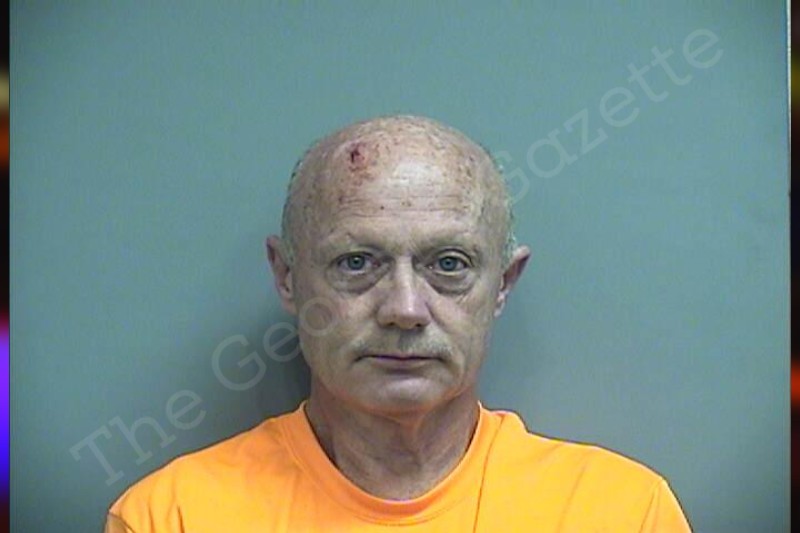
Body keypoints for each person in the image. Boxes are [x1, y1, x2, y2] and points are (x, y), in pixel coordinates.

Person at [105, 115, 691, 532]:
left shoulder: (621, 513)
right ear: (287, 277)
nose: (405, 309)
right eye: (356, 263)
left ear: (503, 286)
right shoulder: (171, 517)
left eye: (449, 264)